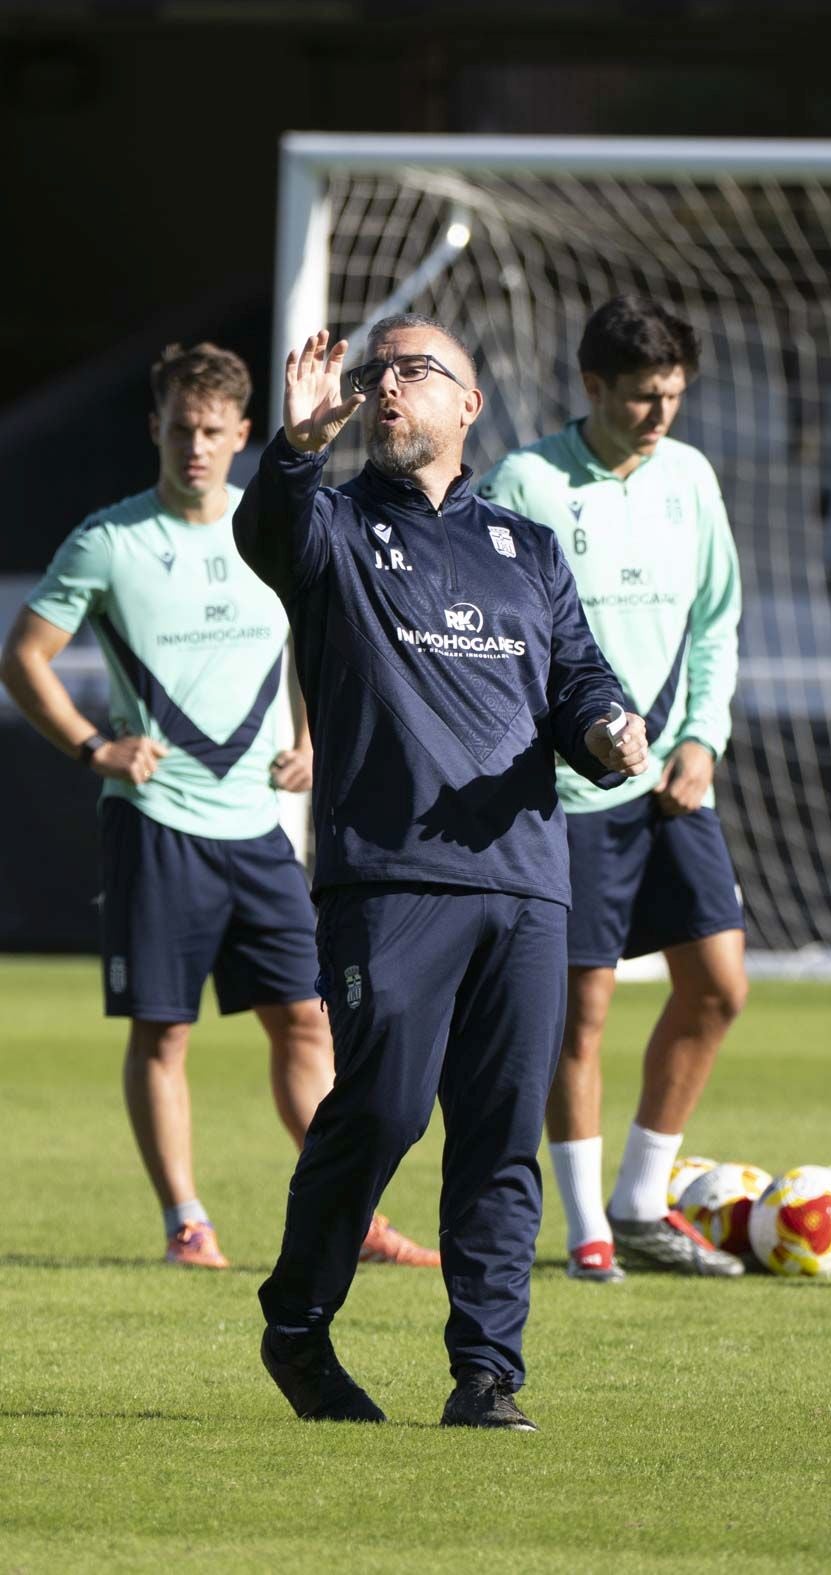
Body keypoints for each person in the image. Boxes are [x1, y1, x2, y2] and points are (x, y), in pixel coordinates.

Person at [233, 315, 647, 1430]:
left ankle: (488, 1374)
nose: (389, 387)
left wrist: (610, 726)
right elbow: (264, 534)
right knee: (385, 1108)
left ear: (469, 405)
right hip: (389, 880)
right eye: (380, 373)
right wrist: (293, 449)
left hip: (525, 882)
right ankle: (297, 1327)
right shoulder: (330, 524)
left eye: (417, 371)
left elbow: (578, 678)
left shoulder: (528, 549)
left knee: (504, 1132)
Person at [0, 341, 438, 1273]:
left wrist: (311, 737)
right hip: (155, 824)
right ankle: (187, 1223)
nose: (195, 446)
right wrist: (93, 745)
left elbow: (313, 633)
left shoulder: (269, 523)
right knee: (166, 1030)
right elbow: (23, 656)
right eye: (179, 429)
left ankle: (351, 1218)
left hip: (258, 829)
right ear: (154, 428)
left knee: (307, 1020)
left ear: (243, 434)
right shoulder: (109, 541)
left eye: (212, 432)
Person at [478, 294, 748, 1283]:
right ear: (592, 387)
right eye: (641, 397)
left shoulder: (691, 478)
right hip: (570, 791)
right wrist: (580, 736)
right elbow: (501, 637)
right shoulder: (529, 482)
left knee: (718, 989)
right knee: (580, 1013)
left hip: (677, 783)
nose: (660, 414)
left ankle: (643, 1201)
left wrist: (702, 743)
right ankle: (588, 1225)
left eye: (673, 395)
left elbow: (717, 622)